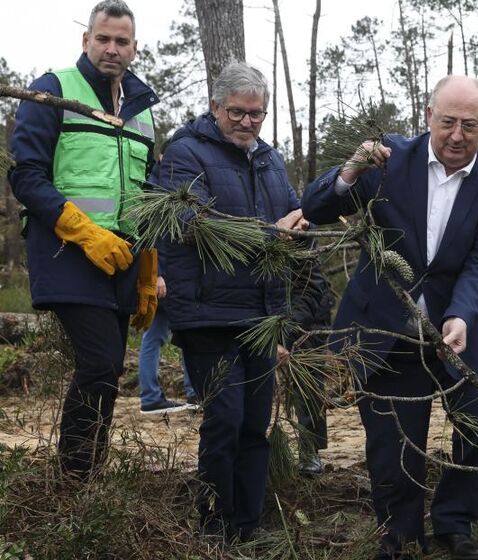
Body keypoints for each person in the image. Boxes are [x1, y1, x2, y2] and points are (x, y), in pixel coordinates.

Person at [302, 75, 478, 560]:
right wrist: (352, 169)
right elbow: (315, 207)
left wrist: (461, 315)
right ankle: (400, 536)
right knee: (393, 444)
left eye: (470, 126)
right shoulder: (388, 161)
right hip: (386, 330)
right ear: (427, 117)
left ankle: (455, 523)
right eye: (448, 123)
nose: (457, 136)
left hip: (460, 328)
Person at [152, 62, 306, 542]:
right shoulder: (184, 154)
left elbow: (291, 216)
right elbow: (190, 225)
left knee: (255, 426)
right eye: (237, 112)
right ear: (215, 106)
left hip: (260, 315)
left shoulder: (270, 160)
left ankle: (248, 526)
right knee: (225, 420)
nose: (247, 122)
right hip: (208, 314)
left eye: (256, 114)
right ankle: (214, 527)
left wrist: (299, 228)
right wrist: (271, 234)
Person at [8, 0, 158, 479]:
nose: (112, 49)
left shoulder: (141, 109)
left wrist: (150, 266)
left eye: (121, 41)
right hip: (67, 251)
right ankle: (75, 477)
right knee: (99, 362)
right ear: (86, 40)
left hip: (122, 257)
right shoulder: (52, 90)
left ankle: (89, 474)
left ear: (134, 48)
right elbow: (26, 176)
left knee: (108, 370)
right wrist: (82, 230)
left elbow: (148, 193)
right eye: (103, 38)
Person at [276, 235, 336, 474]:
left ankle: (310, 449)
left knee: (308, 383)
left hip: (308, 312)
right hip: (263, 306)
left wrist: (285, 335)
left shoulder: (300, 224)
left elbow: (311, 283)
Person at [136, 275, 197, 414]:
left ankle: (151, 397)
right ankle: (193, 394)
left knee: (154, 338)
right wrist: (157, 275)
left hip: (170, 282)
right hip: (170, 283)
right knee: (189, 333)